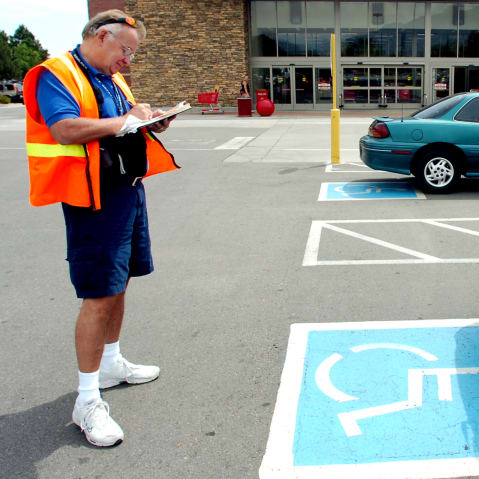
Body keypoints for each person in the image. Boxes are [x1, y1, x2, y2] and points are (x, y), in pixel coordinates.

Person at [23, 9, 179, 447]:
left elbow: (125, 120)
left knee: (120, 282)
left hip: (126, 191)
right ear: (100, 35)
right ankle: (87, 401)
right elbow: (65, 127)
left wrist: (148, 120)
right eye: (125, 50)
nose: (128, 60)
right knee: (98, 296)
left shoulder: (111, 76)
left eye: (132, 53)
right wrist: (124, 122)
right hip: (92, 201)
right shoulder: (57, 73)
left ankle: (111, 363)